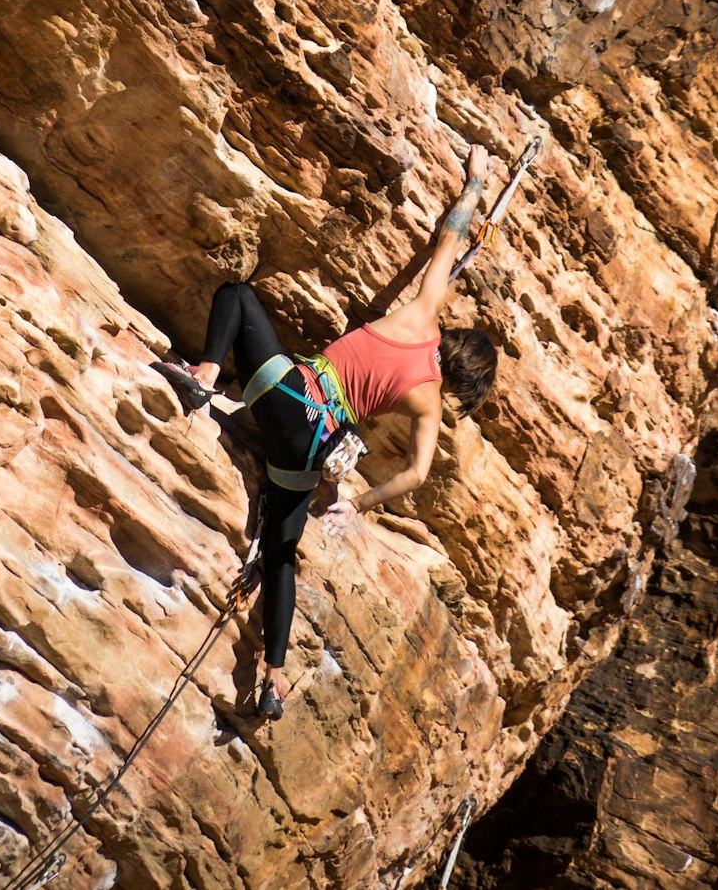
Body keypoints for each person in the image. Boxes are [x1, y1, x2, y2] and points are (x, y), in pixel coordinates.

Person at [155, 144, 498, 720]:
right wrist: (357, 504)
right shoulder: (430, 406)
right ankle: (274, 677)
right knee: (282, 555)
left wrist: (477, 180)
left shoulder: (423, 317)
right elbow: (415, 474)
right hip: (310, 452)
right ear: (464, 381)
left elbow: (450, 237)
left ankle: (205, 374)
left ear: (454, 338)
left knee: (237, 296)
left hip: (290, 398)